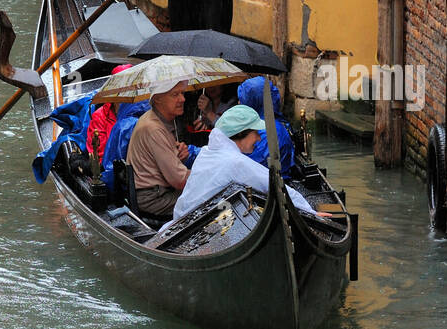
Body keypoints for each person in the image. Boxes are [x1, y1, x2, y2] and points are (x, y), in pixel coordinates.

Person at [170, 104, 314, 223]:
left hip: (181, 219)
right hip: (200, 223)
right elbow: (276, 186)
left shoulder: (206, 152)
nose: (259, 139)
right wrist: (311, 213)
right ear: (241, 133)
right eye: (256, 133)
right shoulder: (235, 162)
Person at [125, 79, 197, 219]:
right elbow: (179, 180)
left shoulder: (157, 119)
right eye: (175, 94)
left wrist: (180, 154)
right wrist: (209, 175)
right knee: (209, 195)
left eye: (182, 93)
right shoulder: (153, 128)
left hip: (157, 192)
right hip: (155, 199)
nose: (182, 99)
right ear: (158, 99)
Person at [235, 76, 296, 177]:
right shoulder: (268, 122)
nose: (239, 103)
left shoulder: (268, 132)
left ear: (254, 101)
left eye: (242, 100)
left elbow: (247, 164)